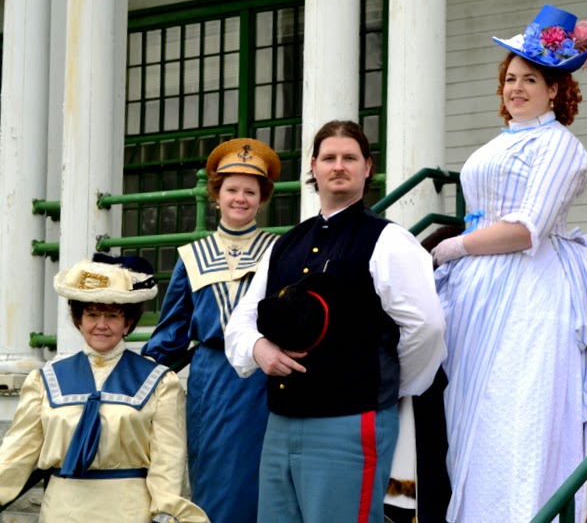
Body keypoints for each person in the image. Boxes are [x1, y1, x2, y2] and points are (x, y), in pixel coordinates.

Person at [430, 5, 587, 522]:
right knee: (470, 413)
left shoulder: (560, 145)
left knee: (517, 409)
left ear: (555, 91)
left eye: (531, 80)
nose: (516, 87)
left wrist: (455, 246)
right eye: (511, 78)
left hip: (531, 290)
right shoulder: (499, 143)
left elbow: (527, 228)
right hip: (477, 290)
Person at [225, 119, 447, 523]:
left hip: (351, 424)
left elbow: (426, 327)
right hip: (280, 423)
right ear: (313, 167)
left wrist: (390, 389)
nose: (338, 166)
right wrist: (260, 349)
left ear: (367, 168)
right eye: (329, 158)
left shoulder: (388, 239)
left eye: (350, 157)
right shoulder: (285, 244)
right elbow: (242, 319)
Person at [0, 254, 208, 522]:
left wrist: (167, 511)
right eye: (92, 314)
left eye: (112, 315)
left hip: (129, 511)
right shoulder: (44, 379)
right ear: (79, 320)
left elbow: (168, 463)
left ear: (128, 323)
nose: (101, 324)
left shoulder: (160, 382)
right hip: (62, 511)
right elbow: (16, 454)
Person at [141, 137, 281, 522]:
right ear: (216, 195)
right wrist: (137, 378)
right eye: (231, 189)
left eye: (250, 191)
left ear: (262, 198)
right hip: (213, 380)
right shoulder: (192, 256)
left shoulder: (279, 250)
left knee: (263, 478)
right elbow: (171, 334)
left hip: (264, 379)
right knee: (214, 477)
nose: (240, 198)